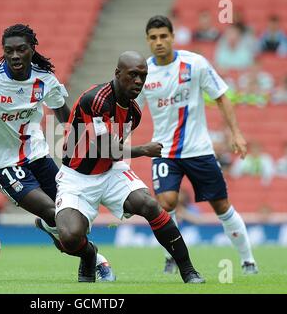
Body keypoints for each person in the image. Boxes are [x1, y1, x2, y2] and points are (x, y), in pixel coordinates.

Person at [0, 24, 115, 281]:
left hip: (38, 156)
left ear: (32, 49)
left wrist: (87, 141)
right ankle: (93, 258)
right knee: (56, 214)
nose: (15, 55)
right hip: (1, 164)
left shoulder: (45, 80)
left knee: (75, 218)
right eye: (8, 51)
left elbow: (64, 116)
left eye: (21, 49)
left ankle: (50, 228)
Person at [55, 51, 205, 284]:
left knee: (150, 205)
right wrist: (143, 150)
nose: (138, 81)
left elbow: (112, 151)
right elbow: (104, 147)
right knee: (70, 236)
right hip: (76, 177)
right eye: (132, 75)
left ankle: (189, 271)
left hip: (110, 172)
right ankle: (90, 255)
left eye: (143, 76)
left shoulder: (134, 113)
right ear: (117, 73)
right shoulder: (96, 100)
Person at [136, 16, 258, 274]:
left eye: (163, 36)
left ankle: (248, 260)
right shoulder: (143, 73)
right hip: (164, 151)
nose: (159, 42)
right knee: (166, 202)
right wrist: (122, 140)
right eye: (153, 37)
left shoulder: (195, 63)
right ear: (148, 41)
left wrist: (236, 133)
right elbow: (133, 111)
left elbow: (221, 96)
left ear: (172, 36)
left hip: (199, 150)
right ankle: (172, 255)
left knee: (221, 207)